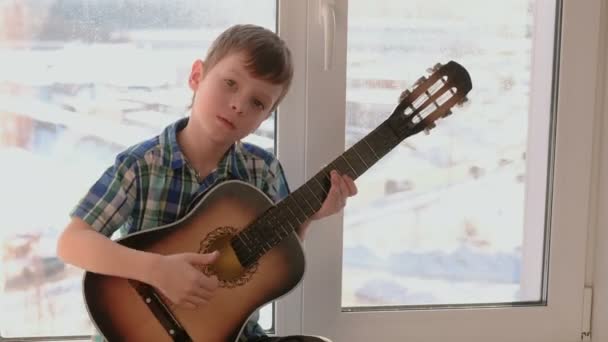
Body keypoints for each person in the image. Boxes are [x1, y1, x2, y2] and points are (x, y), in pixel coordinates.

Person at [56, 24, 357, 342]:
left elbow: (275, 260)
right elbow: (72, 242)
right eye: (230, 83)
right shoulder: (142, 165)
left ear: (265, 117)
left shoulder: (262, 170)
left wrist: (310, 214)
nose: (239, 105)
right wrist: (156, 270)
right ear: (197, 76)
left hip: (230, 333)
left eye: (257, 103)